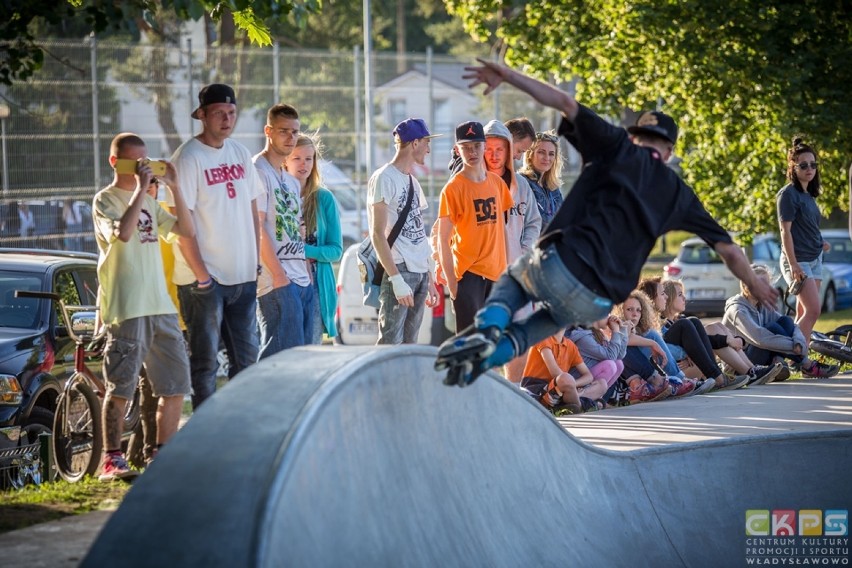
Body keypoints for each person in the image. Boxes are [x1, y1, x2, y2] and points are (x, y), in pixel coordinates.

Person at [436, 59, 778, 386]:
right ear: (669, 152)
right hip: (597, 299)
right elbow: (729, 250)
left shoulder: (616, 144)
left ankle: (486, 330)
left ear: (635, 137)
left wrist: (507, 76)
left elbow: (563, 101)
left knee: (512, 281)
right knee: (539, 326)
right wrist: (756, 284)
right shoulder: (678, 192)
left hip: (563, 262)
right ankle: (484, 359)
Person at [92, 133, 193, 480]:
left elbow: (186, 230)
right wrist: (140, 189)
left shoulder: (151, 201)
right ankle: (111, 458)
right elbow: (121, 233)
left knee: (176, 385)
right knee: (120, 387)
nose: (142, 168)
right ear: (115, 162)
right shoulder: (105, 200)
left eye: (145, 162)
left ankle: (161, 456)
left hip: (161, 306)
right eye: (134, 162)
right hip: (128, 307)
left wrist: (174, 188)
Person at [169, 83, 264, 409]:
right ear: (203, 115)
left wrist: (255, 261)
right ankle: (207, 436)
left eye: (232, 113)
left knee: (246, 362)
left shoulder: (239, 153)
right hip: (205, 282)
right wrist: (202, 277)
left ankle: (238, 428)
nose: (227, 119)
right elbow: (182, 225)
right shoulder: (188, 158)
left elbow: (253, 210)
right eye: (219, 113)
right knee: (206, 364)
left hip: (243, 277)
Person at [367, 118, 440, 344]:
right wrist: (396, 279)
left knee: (410, 346)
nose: (428, 149)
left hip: (418, 272)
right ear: (414, 143)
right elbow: (377, 233)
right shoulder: (383, 178)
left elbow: (419, 232)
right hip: (398, 269)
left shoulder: (413, 182)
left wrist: (430, 277)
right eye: (426, 142)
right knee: (390, 344)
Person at [437, 120, 514, 332]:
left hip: (496, 275)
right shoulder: (453, 189)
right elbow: (442, 238)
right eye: (466, 147)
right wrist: (452, 283)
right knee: (471, 345)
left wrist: (506, 270)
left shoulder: (497, 183)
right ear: (457, 150)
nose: (473, 152)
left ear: (484, 146)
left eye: (477, 146)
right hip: (468, 276)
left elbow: (503, 229)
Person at [483, 119, 542, 381]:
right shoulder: (472, 181)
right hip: (482, 272)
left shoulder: (521, 185)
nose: (519, 157)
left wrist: (524, 247)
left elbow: (533, 221)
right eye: (518, 150)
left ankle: (514, 388)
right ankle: (488, 391)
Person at [254, 104, 314, 357]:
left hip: (301, 279)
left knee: (300, 359)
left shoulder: (290, 179)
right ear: (268, 131)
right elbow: (256, 226)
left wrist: (307, 273)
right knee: (278, 358)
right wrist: (279, 277)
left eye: (294, 132)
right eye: (283, 131)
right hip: (276, 281)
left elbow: (296, 230)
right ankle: (260, 398)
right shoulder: (257, 169)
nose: (290, 137)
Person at [723, 264, 838, 379]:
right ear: (746, 285)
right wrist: (793, 347)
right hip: (741, 366)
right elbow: (760, 338)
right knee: (772, 329)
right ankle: (807, 366)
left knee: (786, 321)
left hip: (760, 354)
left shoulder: (762, 304)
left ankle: (777, 363)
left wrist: (798, 343)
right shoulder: (737, 310)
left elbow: (792, 325)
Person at [659, 279, 782, 387]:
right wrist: (728, 340)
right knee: (710, 329)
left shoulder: (680, 320)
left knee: (716, 326)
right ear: (668, 298)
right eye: (680, 295)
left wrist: (731, 339)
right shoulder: (663, 325)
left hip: (697, 366)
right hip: (683, 371)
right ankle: (749, 372)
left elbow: (701, 340)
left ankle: (751, 370)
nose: (684, 298)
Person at [284, 134, 343, 345]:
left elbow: (336, 250)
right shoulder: (277, 195)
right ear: (285, 160)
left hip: (315, 284)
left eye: (309, 159)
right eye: (297, 158)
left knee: (310, 347)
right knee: (285, 349)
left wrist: (301, 250)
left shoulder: (323, 198)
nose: (304, 164)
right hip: (283, 280)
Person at [777, 137, 829, 352]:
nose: (810, 169)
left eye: (813, 164)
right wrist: (794, 264)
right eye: (803, 165)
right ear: (793, 167)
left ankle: (798, 357)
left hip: (815, 258)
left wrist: (820, 242)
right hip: (798, 261)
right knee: (813, 310)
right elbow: (785, 232)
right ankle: (795, 354)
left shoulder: (809, 195)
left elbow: (807, 226)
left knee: (802, 312)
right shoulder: (787, 194)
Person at [520, 328, 604, 415]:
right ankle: (580, 406)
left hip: (561, 387)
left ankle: (567, 404)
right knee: (565, 379)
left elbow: (588, 376)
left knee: (602, 384)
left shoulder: (570, 345)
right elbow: (555, 373)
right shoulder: (543, 339)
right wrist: (571, 386)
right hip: (537, 387)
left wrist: (574, 384)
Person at [567, 314, 628, 403]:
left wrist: (622, 330)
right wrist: (615, 331)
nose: (609, 318)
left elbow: (619, 355)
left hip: (590, 376)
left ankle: (595, 397)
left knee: (619, 364)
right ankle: (581, 397)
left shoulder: (598, 334)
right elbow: (610, 356)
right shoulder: (584, 338)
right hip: (578, 378)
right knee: (609, 365)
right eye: (607, 314)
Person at [518, 130, 564, 227]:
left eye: (551, 154)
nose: (547, 158)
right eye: (541, 152)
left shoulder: (554, 188)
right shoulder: (522, 182)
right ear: (530, 155)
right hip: (532, 241)